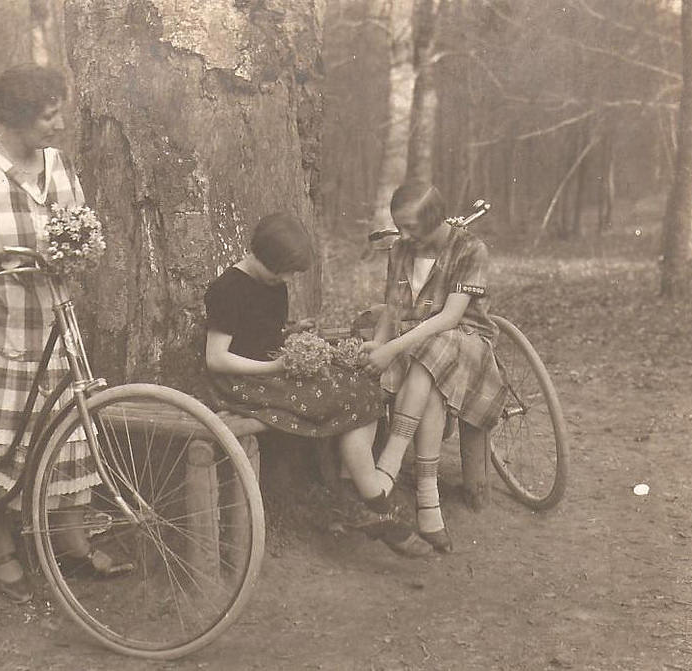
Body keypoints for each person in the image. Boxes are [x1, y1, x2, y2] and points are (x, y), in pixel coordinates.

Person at [0, 64, 128, 603]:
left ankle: (70, 540)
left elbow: (79, 230)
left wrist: (80, 248)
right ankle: (0, 548)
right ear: (19, 118)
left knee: (64, 423)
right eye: (49, 115)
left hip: (49, 318)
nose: (60, 124)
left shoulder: (59, 166)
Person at [204, 212, 432, 557]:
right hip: (243, 381)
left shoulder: (273, 284)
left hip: (274, 368)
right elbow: (216, 358)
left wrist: (296, 337)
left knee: (363, 385)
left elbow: (267, 331)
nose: (287, 279)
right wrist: (275, 365)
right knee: (339, 396)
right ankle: (370, 499)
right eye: (283, 270)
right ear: (262, 256)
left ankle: (352, 492)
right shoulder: (227, 289)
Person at [360, 183, 506, 553]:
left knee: (434, 347)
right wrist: (380, 343)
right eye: (400, 227)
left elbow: (450, 318)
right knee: (429, 388)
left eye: (411, 228)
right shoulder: (402, 249)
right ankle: (429, 503)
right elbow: (393, 308)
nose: (404, 236)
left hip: (466, 340)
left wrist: (393, 347)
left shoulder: (470, 249)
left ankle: (390, 463)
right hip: (418, 343)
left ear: (436, 221)